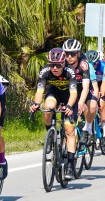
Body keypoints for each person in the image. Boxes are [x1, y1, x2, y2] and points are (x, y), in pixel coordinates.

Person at [31, 48, 84, 180]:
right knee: (48, 108)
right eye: (52, 65)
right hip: (54, 92)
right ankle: (50, 134)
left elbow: (74, 93)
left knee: (69, 130)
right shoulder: (45, 71)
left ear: (64, 63)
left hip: (69, 96)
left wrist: (69, 106)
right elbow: (39, 91)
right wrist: (36, 103)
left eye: (58, 65)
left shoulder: (70, 71)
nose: (54, 68)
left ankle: (70, 165)